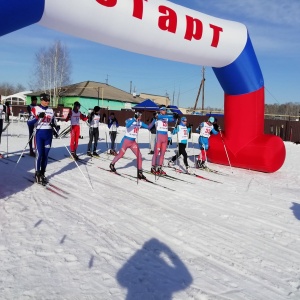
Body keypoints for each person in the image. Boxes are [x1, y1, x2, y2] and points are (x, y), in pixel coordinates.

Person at [27, 93, 58, 184]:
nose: (47, 102)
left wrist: (56, 130)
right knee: (39, 155)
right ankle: (37, 173)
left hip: (48, 135)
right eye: (46, 100)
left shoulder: (51, 110)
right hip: (39, 134)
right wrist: (37, 117)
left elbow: (54, 123)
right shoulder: (35, 109)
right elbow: (29, 123)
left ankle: (42, 173)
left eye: (48, 100)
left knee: (45, 155)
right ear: (41, 100)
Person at [109, 112, 150, 179]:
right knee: (121, 155)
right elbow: (127, 125)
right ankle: (112, 164)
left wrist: (155, 121)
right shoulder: (131, 120)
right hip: (126, 141)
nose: (141, 117)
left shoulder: (140, 122)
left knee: (139, 156)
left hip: (133, 142)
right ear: (136, 116)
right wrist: (134, 119)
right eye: (140, 116)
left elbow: (148, 127)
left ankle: (139, 173)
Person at [150, 106, 178, 175]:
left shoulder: (166, 117)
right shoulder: (158, 117)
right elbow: (150, 126)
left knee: (162, 153)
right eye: (163, 110)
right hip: (159, 136)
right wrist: (155, 117)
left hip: (165, 136)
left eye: (165, 110)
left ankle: (159, 167)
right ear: (160, 110)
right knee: (156, 153)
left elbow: (173, 120)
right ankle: (153, 167)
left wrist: (175, 117)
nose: (165, 111)